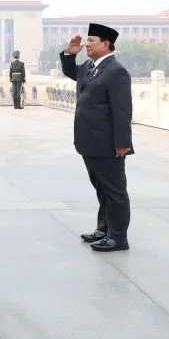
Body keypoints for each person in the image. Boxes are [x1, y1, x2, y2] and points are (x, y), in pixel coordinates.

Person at [61, 24, 133, 252]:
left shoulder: (116, 71)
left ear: (106, 44)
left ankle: (118, 237)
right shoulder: (91, 67)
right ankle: (104, 229)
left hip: (107, 144)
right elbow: (72, 72)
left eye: (92, 40)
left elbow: (122, 111)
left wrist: (122, 144)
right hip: (89, 142)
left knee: (115, 192)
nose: (87, 44)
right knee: (102, 190)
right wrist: (69, 55)